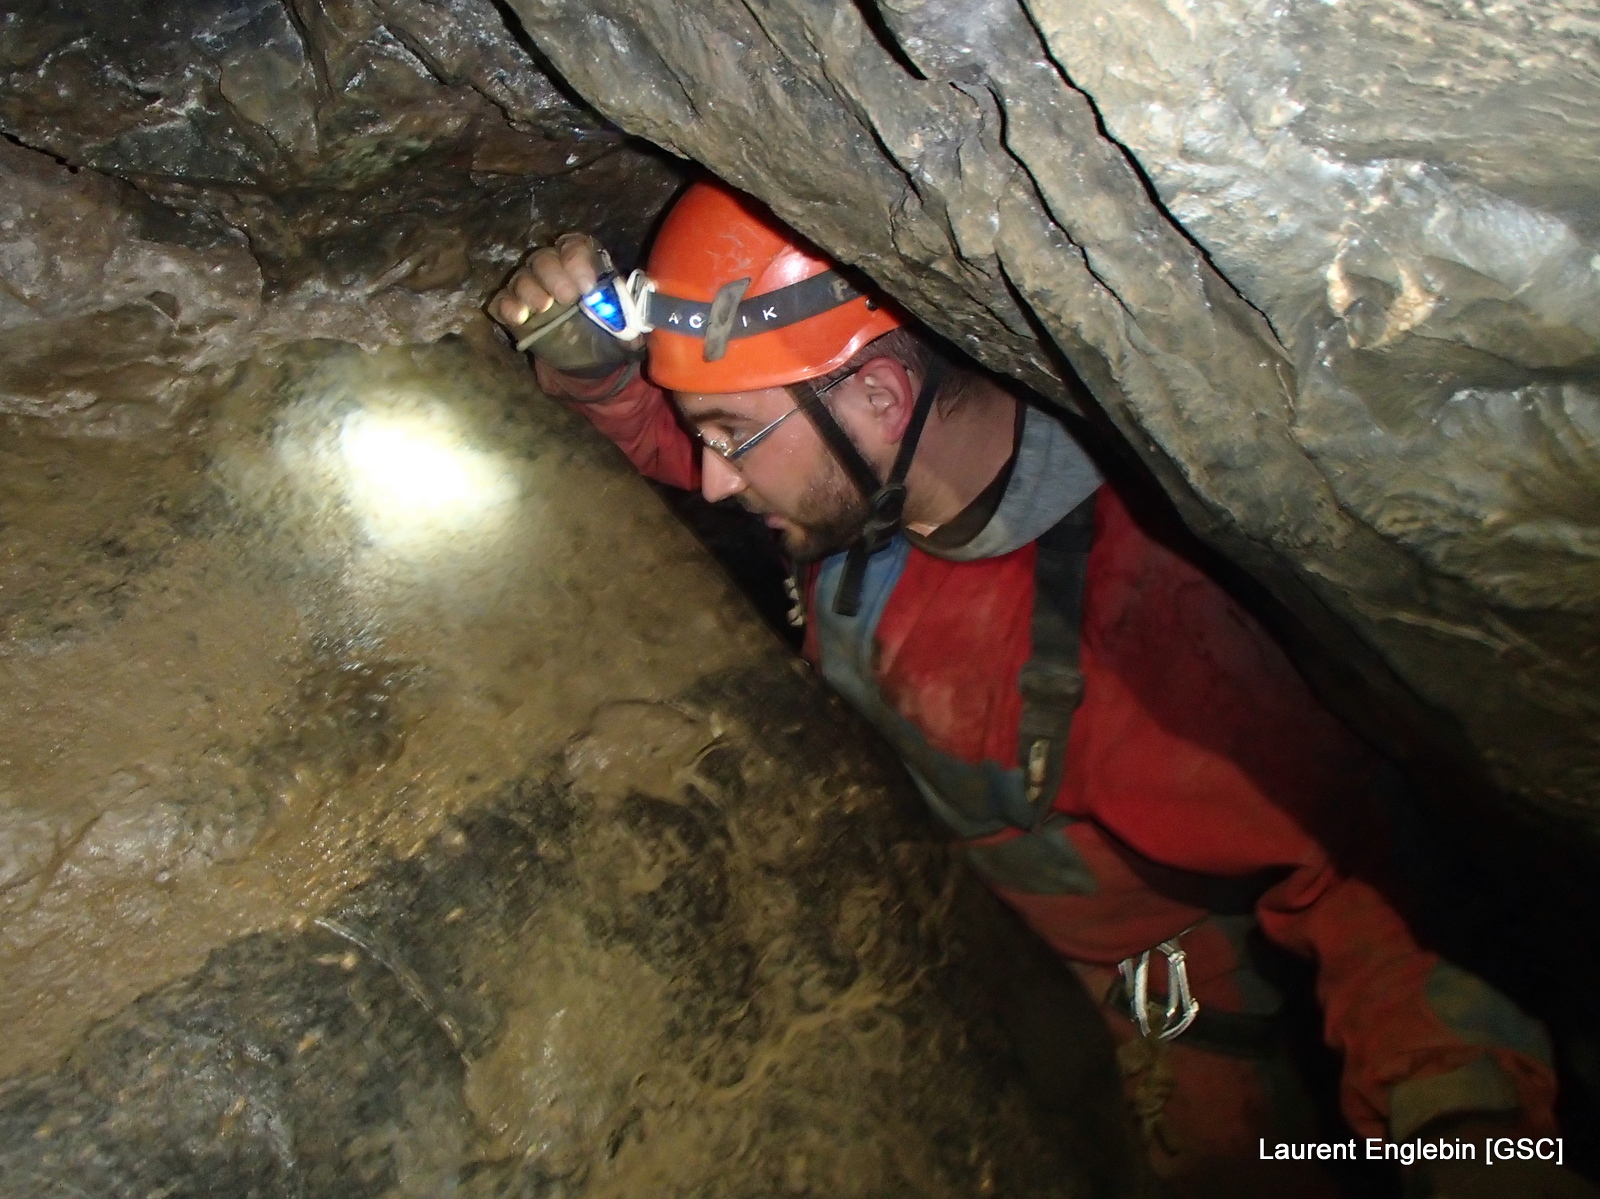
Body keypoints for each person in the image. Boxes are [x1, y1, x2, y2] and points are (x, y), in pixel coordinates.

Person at [491, 179, 1583, 1196]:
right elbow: (707, 453)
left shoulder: (1147, 635)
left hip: (1170, 1012)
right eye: (709, 433)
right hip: (977, 913)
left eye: (729, 436)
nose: (714, 477)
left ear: (878, 394)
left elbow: (1366, 891)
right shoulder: (856, 476)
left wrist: (1469, 1133)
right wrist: (593, 370)